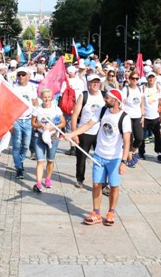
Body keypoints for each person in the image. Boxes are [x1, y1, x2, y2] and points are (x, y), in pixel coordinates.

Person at [65, 89, 131, 226]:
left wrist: (123, 161)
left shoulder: (124, 117)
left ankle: (111, 212)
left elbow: (127, 141)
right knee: (96, 184)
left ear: (116, 100)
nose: (105, 99)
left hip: (115, 158)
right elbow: (88, 125)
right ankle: (96, 213)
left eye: (107, 97)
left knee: (114, 186)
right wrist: (72, 134)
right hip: (99, 155)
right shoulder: (101, 111)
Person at [71, 73, 105, 187]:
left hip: (99, 132)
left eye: (97, 82)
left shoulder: (104, 95)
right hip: (84, 132)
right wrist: (74, 134)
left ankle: (103, 183)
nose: (96, 84)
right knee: (81, 158)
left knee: (101, 158)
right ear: (88, 84)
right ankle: (80, 179)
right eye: (93, 82)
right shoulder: (84, 96)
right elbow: (75, 115)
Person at [31, 88, 65, 194]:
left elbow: (63, 123)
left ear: (52, 98)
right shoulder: (37, 109)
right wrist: (40, 125)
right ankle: (38, 182)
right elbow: (33, 123)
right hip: (39, 136)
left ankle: (48, 178)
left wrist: (52, 127)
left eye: (49, 97)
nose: (46, 99)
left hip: (53, 137)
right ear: (41, 98)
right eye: (44, 97)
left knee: (50, 160)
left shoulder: (56, 109)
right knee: (40, 160)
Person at [9, 67, 38, 180]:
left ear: (28, 76)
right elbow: (8, 106)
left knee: (26, 145)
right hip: (16, 119)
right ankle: (18, 167)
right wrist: (10, 123)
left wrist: (35, 118)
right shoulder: (13, 88)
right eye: (19, 74)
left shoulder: (31, 87)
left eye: (23, 74)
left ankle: (20, 161)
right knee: (16, 144)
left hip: (28, 119)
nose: (20, 76)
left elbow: (35, 102)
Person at [139, 71, 161, 163]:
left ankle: (159, 153)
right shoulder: (143, 88)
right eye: (149, 77)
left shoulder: (158, 88)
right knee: (141, 136)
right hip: (145, 116)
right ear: (147, 79)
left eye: (152, 77)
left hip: (155, 116)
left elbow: (160, 102)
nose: (151, 79)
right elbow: (141, 102)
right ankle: (141, 152)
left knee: (157, 136)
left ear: (155, 79)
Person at [122, 71, 144, 166]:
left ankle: (132, 152)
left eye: (137, 79)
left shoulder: (139, 89)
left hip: (137, 116)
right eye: (133, 78)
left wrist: (143, 115)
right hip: (128, 116)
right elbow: (122, 103)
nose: (135, 80)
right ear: (129, 79)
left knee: (139, 138)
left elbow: (142, 103)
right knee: (129, 138)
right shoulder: (125, 89)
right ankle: (129, 158)